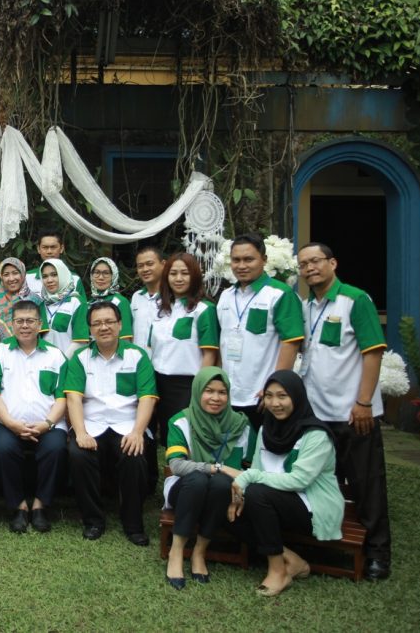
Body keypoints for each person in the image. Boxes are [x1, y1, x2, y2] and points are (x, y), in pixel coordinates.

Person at [297, 242, 391, 580]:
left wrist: (364, 402)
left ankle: (378, 553)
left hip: (354, 413)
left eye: (316, 261)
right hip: (318, 415)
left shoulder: (355, 300)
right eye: (303, 264)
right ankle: (327, 542)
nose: (309, 269)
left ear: (332, 263)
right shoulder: (306, 305)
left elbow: (373, 353)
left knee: (367, 483)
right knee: (324, 482)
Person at [228, 370, 344, 596]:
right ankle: (292, 559)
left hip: (312, 507)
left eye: (282, 396)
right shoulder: (266, 428)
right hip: (275, 504)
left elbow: (299, 480)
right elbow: (258, 469)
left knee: (258, 494)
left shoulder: (316, 435)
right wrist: (240, 492)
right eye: (269, 396)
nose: (275, 403)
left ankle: (277, 571)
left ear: (297, 397)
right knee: (226, 502)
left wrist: (250, 478)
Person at [64, 301, 157, 546]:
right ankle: (93, 520)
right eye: (97, 323)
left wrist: (138, 432)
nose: (103, 327)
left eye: (109, 322)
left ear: (119, 324)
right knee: (78, 454)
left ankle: (133, 523)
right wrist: (81, 433)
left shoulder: (137, 356)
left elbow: (147, 397)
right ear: (90, 329)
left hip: (127, 424)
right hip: (92, 423)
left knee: (134, 454)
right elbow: (73, 397)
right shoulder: (80, 358)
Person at [162, 367, 251, 590]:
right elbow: (177, 465)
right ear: (197, 391)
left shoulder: (241, 426)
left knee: (221, 483)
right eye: (209, 391)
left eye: (222, 392)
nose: (216, 398)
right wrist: (217, 467)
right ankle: (177, 551)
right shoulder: (180, 421)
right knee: (197, 479)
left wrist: (239, 490)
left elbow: (250, 468)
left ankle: (200, 552)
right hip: (184, 489)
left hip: (223, 493)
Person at [0, 300, 68, 533]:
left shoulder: (55, 355)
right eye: (19, 321)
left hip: (48, 423)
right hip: (4, 423)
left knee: (57, 448)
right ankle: (18, 506)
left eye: (30, 321)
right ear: (12, 324)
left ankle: (40, 505)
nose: (25, 326)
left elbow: (62, 397)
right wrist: (11, 423)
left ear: (40, 324)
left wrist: (47, 424)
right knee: (2, 448)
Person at [215, 234, 304, 431]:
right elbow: (222, 343)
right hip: (230, 393)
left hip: (262, 394)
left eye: (249, 259)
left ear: (264, 260)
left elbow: (291, 342)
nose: (241, 265)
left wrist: (275, 388)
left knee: (264, 451)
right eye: (236, 260)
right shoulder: (226, 296)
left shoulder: (280, 294)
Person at [148, 252, 220, 445]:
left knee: (186, 437)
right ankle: (169, 474)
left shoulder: (204, 309)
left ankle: (188, 474)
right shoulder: (160, 309)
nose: (178, 279)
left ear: (195, 276)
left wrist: (200, 390)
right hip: (159, 382)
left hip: (187, 385)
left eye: (185, 273)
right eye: (173, 273)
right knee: (165, 437)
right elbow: (151, 348)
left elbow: (210, 353)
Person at [71, 257, 133, 347]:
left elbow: (125, 340)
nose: (100, 277)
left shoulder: (120, 302)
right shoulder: (89, 303)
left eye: (106, 273)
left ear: (114, 275)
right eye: (96, 273)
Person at [0, 257, 49, 343]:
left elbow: (43, 333)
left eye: (15, 273)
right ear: (1, 277)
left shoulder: (36, 301)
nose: (11, 278)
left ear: (23, 274)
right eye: (6, 274)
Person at [39, 258, 85, 357]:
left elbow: (81, 341)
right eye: (45, 276)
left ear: (63, 274)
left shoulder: (76, 302)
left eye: (54, 275)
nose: (49, 280)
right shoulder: (41, 304)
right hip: (44, 365)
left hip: (69, 364)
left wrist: (61, 363)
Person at [25, 229, 86, 297]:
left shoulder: (74, 279)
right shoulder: (27, 277)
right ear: (38, 249)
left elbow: (82, 306)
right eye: (45, 247)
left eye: (53, 247)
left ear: (61, 248)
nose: (49, 251)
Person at [130, 245, 164, 349]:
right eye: (140, 266)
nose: (145, 269)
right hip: (138, 360)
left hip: (163, 360)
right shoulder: (136, 296)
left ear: (163, 264)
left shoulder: (171, 297)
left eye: (150, 264)